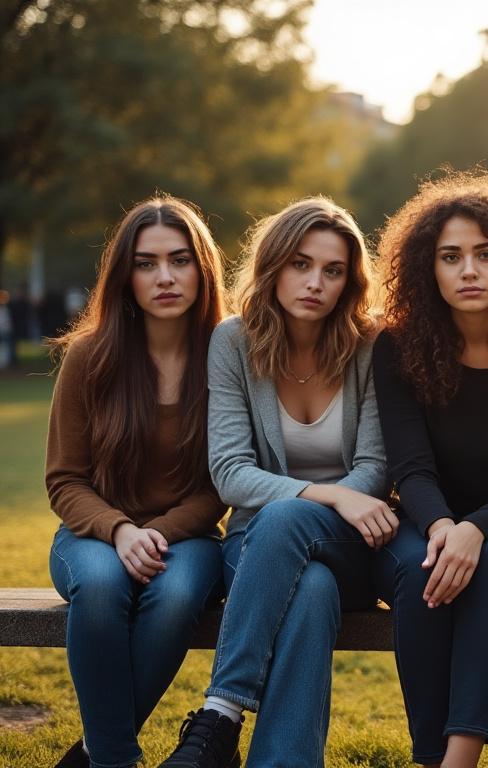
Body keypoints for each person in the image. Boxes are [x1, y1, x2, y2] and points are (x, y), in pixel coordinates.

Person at [159, 197, 391, 768]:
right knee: (309, 591)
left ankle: (219, 715)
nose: (315, 282)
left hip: (354, 544)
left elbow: (378, 466)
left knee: (291, 525)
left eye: (332, 270)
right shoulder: (233, 342)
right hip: (256, 549)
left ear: (349, 281)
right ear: (273, 265)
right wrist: (331, 491)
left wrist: (329, 501)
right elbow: (231, 473)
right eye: (300, 264)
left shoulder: (370, 345)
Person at [371, 170, 488, 767]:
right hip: (429, 529)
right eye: (451, 257)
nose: (470, 271)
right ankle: (429, 755)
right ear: (429, 269)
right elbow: (411, 468)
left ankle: (457, 761)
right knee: (416, 570)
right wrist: (442, 530)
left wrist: (474, 531)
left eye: (486, 254)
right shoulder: (397, 348)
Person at [46, 196, 229, 768]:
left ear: (203, 269)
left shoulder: (230, 357)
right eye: (146, 263)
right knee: (100, 590)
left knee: (176, 597)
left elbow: (223, 481)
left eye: (179, 260)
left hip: (191, 539)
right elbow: (65, 480)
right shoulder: (89, 358)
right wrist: (121, 530)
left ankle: (94, 753)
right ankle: (115, 758)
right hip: (92, 535)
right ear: (124, 276)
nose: (165, 277)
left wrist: (162, 533)